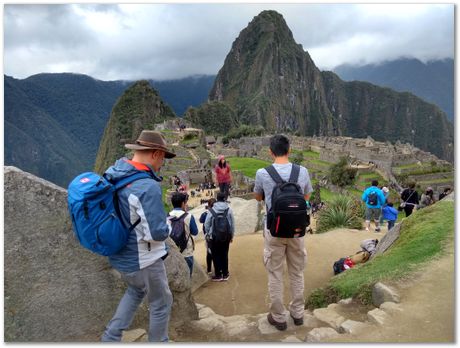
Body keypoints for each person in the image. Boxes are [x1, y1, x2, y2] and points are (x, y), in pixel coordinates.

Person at [101, 130, 176, 342]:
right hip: (144, 259)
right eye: (163, 157)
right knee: (161, 303)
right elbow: (156, 233)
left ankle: (111, 337)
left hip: (120, 256)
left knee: (135, 291)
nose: (163, 163)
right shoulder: (146, 186)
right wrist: (168, 225)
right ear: (155, 154)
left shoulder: (115, 172)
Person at [254, 134, 313, 331]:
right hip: (297, 231)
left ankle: (278, 317)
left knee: (275, 273)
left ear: (271, 152)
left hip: (274, 231)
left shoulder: (262, 173)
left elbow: (257, 197)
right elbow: (305, 196)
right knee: (297, 272)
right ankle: (297, 314)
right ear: (289, 150)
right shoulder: (302, 171)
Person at [204, 192, 235, 282]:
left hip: (214, 237)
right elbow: (232, 224)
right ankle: (225, 274)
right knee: (224, 254)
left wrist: (208, 234)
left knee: (215, 255)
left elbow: (207, 224)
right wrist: (231, 235)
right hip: (226, 236)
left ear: (217, 199)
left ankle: (218, 275)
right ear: (225, 199)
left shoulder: (212, 210)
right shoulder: (228, 210)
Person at [169, 192, 199, 276]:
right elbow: (195, 232)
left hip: (173, 252)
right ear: (183, 203)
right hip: (186, 251)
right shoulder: (188, 216)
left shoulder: (167, 216)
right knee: (188, 275)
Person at [199, 198, 217, 275]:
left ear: (209, 205)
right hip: (218, 235)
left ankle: (209, 269)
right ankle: (218, 270)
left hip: (209, 236)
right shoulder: (219, 212)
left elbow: (201, 220)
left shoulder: (206, 213)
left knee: (209, 253)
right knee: (217, 253)